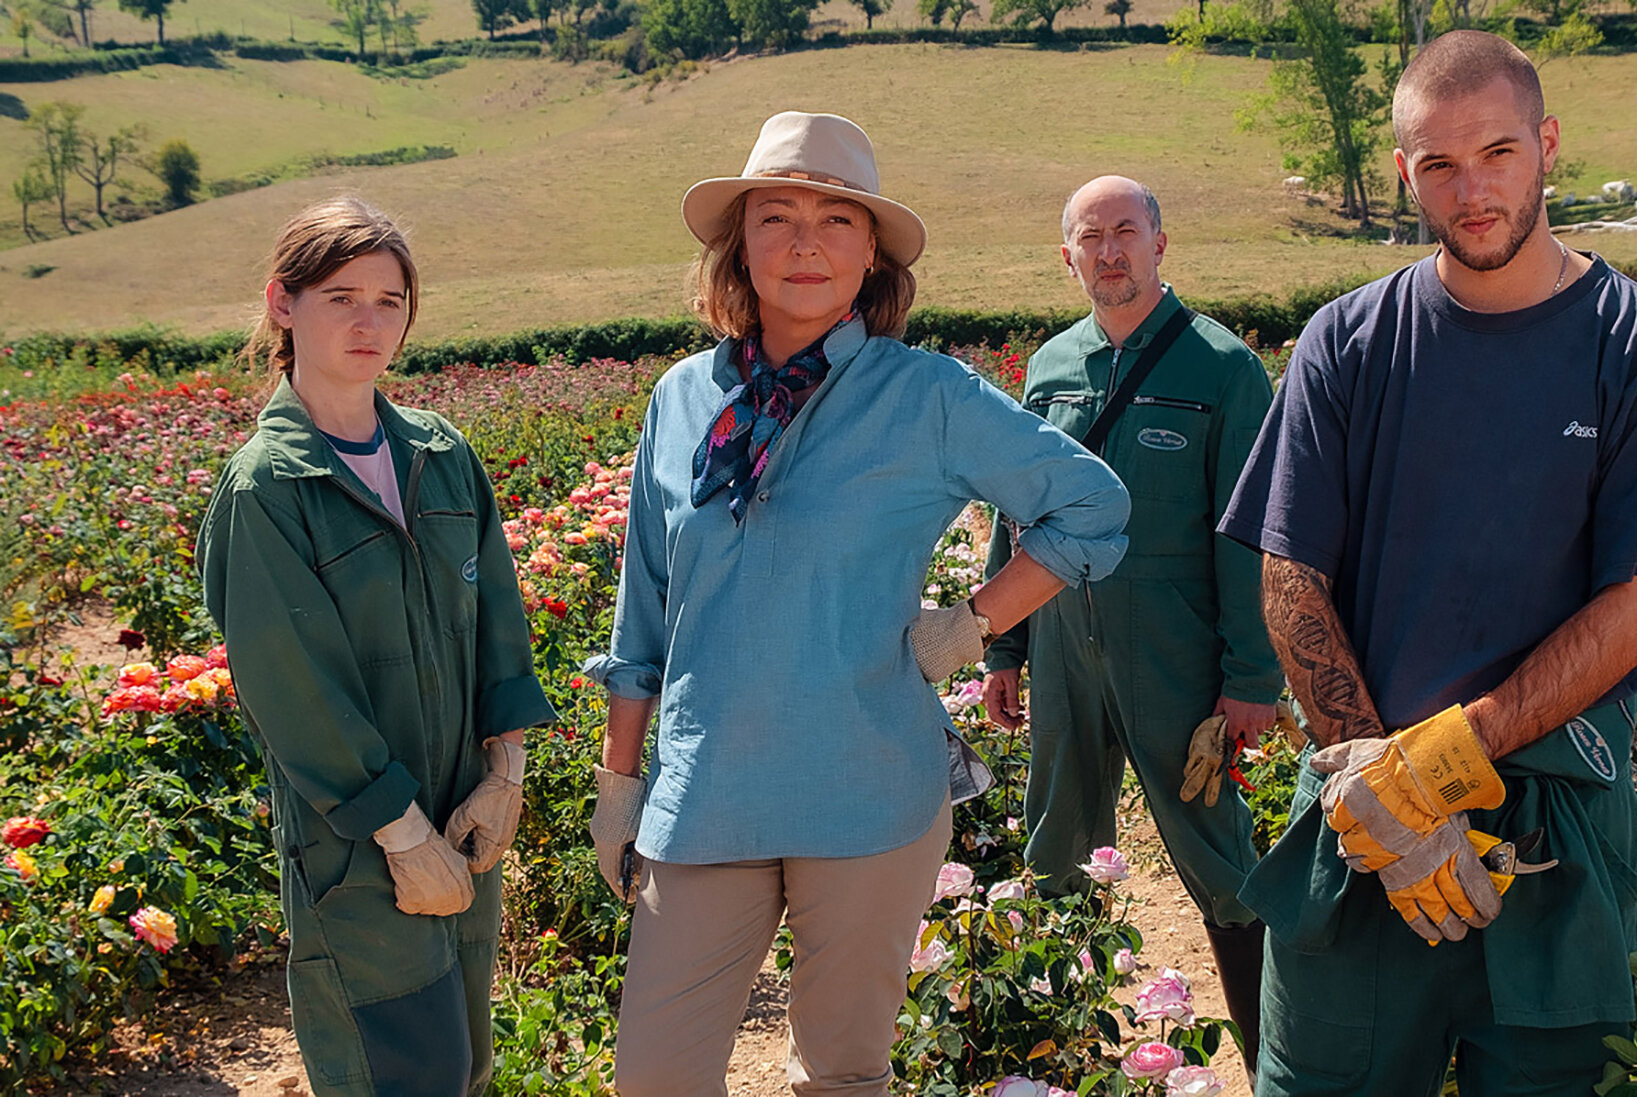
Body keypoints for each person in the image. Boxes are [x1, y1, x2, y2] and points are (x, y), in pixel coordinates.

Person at [580, 111, 1130, 1097]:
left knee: (839, 1075)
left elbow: (1091, 504)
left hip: (867, 788)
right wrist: (618, 783)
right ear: (736, 245)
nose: (803, 241)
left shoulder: (922, 394)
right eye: (774, 216)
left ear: (870, 252)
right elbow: (643, 612)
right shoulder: (679, 399)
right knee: (652, 1078)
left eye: (836, 219)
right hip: (706, 792)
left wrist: (969, 623)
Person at [1217, 31, 1637, 1095]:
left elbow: (1633, 608)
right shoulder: (1345, 341)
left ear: (1544, 146)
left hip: (1552, 833)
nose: (1471, 188)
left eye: (1495, 152)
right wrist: (1379, 792)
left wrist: (1431, 769)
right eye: (1437, 165)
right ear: (1406, 173)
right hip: (1357, 830)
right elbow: (1289, 577)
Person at [198, 196, 557, 1097]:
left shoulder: (440, 454)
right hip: (356, 842)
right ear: (284, 304)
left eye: (389, 301)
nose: (369, 322)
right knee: (398, 1071)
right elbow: (294, 686)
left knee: (467, 1063)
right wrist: (398, 832)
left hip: (464, 812)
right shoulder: (268, 489)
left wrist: (503, 770)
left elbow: (498, 623)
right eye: (340, 297)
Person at [980, 175, 1285, 1074]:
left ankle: (1279, 1060)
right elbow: (1015, 511)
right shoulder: (1050, 368)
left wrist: (1248, 677)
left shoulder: (1221, 368)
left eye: (1125, 231)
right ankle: (1054, 1062)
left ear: (1160, 242)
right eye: (1090, 236)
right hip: (1062, 644)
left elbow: (1250, 534)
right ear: (1065, 255)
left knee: (1217, 855)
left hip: (1175, 648)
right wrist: (1003, 646)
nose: (1109, 251)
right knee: (1053, 846)